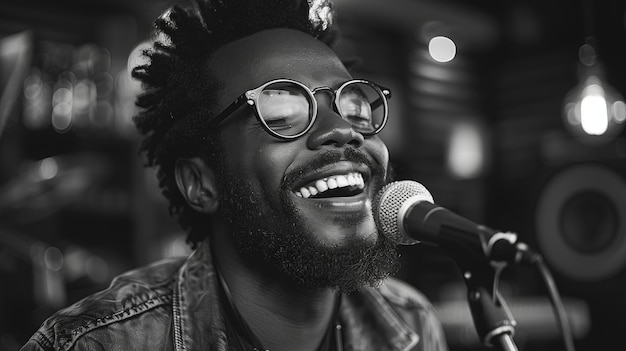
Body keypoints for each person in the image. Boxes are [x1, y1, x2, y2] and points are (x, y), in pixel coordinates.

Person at [21, 0, 448, 350]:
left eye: (354, 105)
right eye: (281, 110)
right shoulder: (94, 344)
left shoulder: (410, 324)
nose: (342, 130)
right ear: (201, 184)